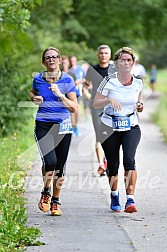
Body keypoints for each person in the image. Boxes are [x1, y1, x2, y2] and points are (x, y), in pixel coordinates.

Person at [93, 47, 144, 213]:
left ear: (133, 63)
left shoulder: (138, 82)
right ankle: (114, 194)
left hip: (131, 126)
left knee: (129, 160)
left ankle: (130, 200)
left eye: (129, 60)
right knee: (113, 164)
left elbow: (139, 103)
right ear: (117, 63)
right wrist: (108, 99)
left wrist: (140, 106)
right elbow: (96, 103)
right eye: (123, 60)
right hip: (109, 126)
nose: (126, 63)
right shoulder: (109, 81)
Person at [29, 47, 78, 216]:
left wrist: (60, 95)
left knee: (60, 166)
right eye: (48, 57)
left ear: (59, 60)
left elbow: (74, 107)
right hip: (43, 125)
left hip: (63, 126)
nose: (51, 59)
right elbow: (33, 92)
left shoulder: (68, 80)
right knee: (50, 162)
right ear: (43, 61)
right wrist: (34, 98)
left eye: (55, 57)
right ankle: (46, 191)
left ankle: (55, 202)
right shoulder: (38, 78)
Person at [84, 44, 117, 176]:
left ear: (110, 55)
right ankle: (101, 165)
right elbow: (85, 87)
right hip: (96, 107)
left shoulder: (115, 69)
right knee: (99, 136)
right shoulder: (92, 69)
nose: (103, 55)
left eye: (106, 53)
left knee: (112, 136)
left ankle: (109, 161)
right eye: (101, 53)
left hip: (112, 107)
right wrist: (89, 98)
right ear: (98, 55)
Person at [69, 55, 85, 136]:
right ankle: (73, 127)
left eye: (73, 60)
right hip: (71, 93)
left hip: (78, 93)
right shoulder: (69, 71)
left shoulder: (80, 69)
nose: (72, 62)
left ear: (76, 61)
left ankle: (76, 127)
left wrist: (79, 82)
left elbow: (85, 79)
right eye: (71, 61)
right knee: (72, 111)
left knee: (77, 111)